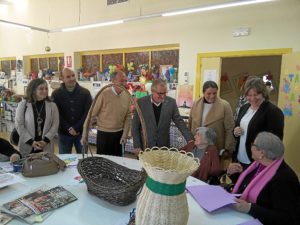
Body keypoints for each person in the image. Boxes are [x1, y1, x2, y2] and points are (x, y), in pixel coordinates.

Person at [228, 132, 300, 225]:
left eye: (253, 145)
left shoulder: (284, 179)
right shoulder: (258, 164)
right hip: (244, 216)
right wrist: (232, 173)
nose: (251, 147)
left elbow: (286, 218)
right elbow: (246, 188)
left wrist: (250, 208)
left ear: (261, 153)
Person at [233, 77, 284, 170]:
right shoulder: (244, 108)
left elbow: (276, 141)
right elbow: (238, 128)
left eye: (256, 95)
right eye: (249, 95)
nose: (252, 98)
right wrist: (235, 132)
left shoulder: (273, 111)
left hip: (259, 160)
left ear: (263, 93)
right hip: (240, 156)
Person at [131, 79, 194, 153]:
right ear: (152, 91)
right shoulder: (141, 103)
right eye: (160, 93)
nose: (163, 96)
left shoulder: (171, 103)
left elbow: (180, 123)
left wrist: (190, 139)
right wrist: (137, 146)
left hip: (163, 147)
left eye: (165, 93)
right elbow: (135, 126)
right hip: (145, 146)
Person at [82, 70, 131, 156]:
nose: (124, 83)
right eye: (121, 81)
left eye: (126, 80)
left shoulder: (127, 95)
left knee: (117, 161)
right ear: (113, 81)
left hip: (119, 134)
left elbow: (128, 116)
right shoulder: (103, 94)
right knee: (102, 162)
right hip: (104, 135)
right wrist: (84, 134)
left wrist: (125, 134)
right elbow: (91, 114)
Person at [188, 81, 235, 161]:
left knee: (212, 170)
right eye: (209, 93)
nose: (212, 96)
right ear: (203, 92)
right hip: (197, 145)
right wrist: (190, 140)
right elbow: (190, 123)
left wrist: (227, 149)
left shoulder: (224, 105)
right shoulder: (196, 103)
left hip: (215, 146)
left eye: (214, 93)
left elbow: (230, 129)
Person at [52, 68, 92, 154]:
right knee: (65, 160)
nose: (72, 78)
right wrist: (68, 128)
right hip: (64, 133)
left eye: (73, 75)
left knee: (84, 159)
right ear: (62, 79)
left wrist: (77, 127)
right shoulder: (56, 94)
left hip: (82, 133)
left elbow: (88, 113)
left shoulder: (85, 93)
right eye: (68, 77)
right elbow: (56, 114)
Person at [15, 78, 59, 157]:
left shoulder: (52, 106)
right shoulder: (23, 105)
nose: (45, 91)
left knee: (46, 167)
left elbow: (55, 125)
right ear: (33, 90)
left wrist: (45, 140)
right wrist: (31, 142)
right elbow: (19, 125)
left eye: (46, 88)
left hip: (46, 146)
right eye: (41, 89)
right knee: (28, 167)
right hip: (28, 145)